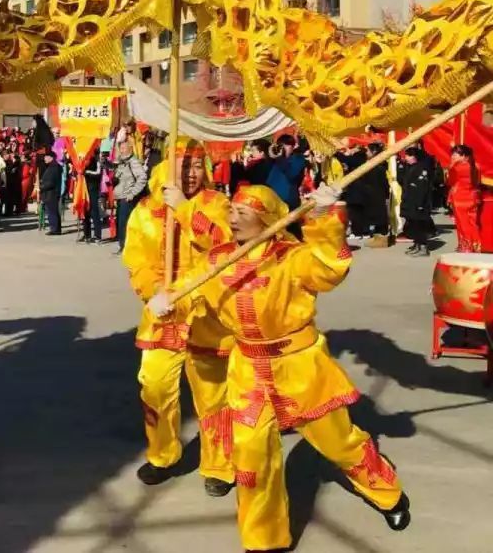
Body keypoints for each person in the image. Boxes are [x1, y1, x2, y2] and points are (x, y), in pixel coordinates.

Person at [163, 184, 410, 552]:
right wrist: (170, 303)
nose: (232, 219)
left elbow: (330, 269)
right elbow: (190, 291)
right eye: (231, 211)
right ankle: (264, 540)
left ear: (267, 219)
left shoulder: (291, 257)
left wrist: (325, 217)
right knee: (251, 455)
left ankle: (388, 493)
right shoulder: (218, 260)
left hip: (300, 366)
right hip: (247, 368)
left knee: (339, 443)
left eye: (243, 214)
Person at [122, 138, 234, 496]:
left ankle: (219, 464)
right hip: (163, 315)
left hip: (208, 315)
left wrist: (186, 210)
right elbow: (136, 259)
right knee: (154, 386)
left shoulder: (217, 204)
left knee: (214, 395)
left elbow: (225, 245)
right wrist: (154, 293)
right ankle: (162, 455)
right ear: (166, 165)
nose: (190, 173)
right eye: (183, 165)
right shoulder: (144, 210)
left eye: (197, 165)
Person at [399, 146, 436, 257]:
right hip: (409, 200)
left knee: (419, 225)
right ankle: (417, 244)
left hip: (418, 203)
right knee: (412, 225)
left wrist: (420, 204)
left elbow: (421, 188)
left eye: (408, 155)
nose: (406, 158)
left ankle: (423, 247)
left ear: (414, 157)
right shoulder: (409, 167)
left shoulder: (421, 168)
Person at [112, 141, 148, 253]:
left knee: (125, 223)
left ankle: (126, 247)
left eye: (123, 148)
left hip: (128, 198)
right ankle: (123, 245)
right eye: (120, 148)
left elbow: (142, 178)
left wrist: (132, 193)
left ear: (130, 149)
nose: (121, 151)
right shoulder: (123, 162)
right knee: (120, 223)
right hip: (121, 197)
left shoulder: (133, 162)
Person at [447, 144, 482, 252]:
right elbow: (478, 182)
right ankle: (476, 245)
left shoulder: (456, 167)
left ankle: (466, 246)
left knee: (462, 223)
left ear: (464, 156)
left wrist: (451, 167)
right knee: (472, 222)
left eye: (455, 154)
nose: (453, 156)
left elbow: (451, 182)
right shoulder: (476, 166)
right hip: (473, 196)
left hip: (460, 197)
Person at [266, 135, 305, 211]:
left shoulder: (298, 158)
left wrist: (280, 158)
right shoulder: (276, 160)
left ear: (293, 147)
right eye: (281, 146)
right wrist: (270, 156)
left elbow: (291, 174)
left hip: (288, 202)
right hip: (273, 200)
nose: (283, 148)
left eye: (286, 145)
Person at [39, 150, 63, 235]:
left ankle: (55, 229)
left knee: (52, 211)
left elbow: (51, 182)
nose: (44, 159)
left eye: (46, 157)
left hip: (51, 193)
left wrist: (41, 187)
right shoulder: (51, 166)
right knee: (52, 211)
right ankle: (56, 228)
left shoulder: (54, 167)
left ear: (51, 157)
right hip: (50, 192)